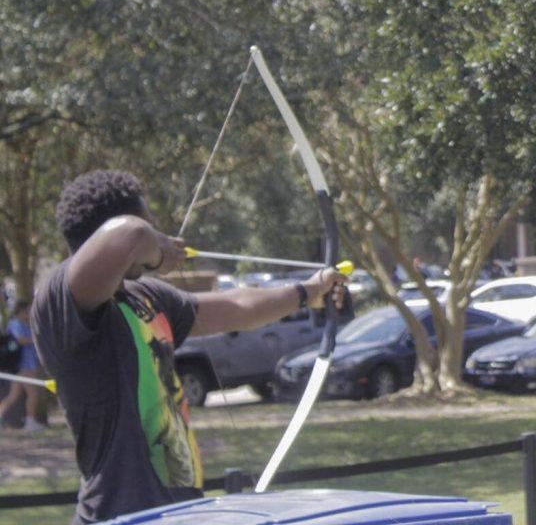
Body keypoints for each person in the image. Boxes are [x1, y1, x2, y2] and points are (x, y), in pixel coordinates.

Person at [31, 170, 346, 524]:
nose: (154, 231)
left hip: (179, 512)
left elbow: (237, 307)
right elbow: (130, 234)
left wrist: (306, 292)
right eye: (149, 223)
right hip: (117, 516)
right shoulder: (60, 302)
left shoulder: (144, 296)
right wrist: (156, 252)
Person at [0, 300, 44, 431]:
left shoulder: (28, 325)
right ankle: (30, 422)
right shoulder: (15, 324)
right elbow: (20, 340)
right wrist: (37, 339)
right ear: (22, 311)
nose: (30, 313)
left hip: (29, 364)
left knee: (13, 397)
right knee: (33, 394)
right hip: (22, 365)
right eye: (28, 311)